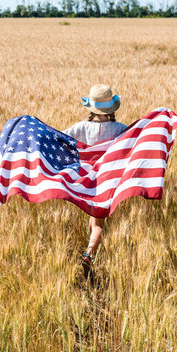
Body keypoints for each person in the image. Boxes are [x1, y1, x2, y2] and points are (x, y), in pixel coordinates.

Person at [63, 84, 128, 280]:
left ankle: (90, 253)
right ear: (112, 109)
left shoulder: (80, 127)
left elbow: (60, 139)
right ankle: (89, 255)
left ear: (91, 108)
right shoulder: (120, 129)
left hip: (86, 182)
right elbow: (135, 144)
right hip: (107, 182)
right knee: (98, 222)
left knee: (94, 220)